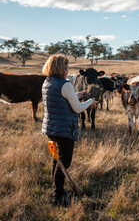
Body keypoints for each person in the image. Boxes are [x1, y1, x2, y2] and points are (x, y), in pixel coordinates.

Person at [41, 54, 98, 206]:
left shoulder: (47, 82)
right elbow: (78, 108)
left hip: (50, 127)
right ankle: (58, 197)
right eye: (66, 66)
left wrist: (78, 94)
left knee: (57, 160)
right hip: (63, 129)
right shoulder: (65, 84)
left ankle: (57, 190)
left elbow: (63, 98)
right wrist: (90, 101)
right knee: (64, 162)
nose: (68, 69)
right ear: (61, 67)